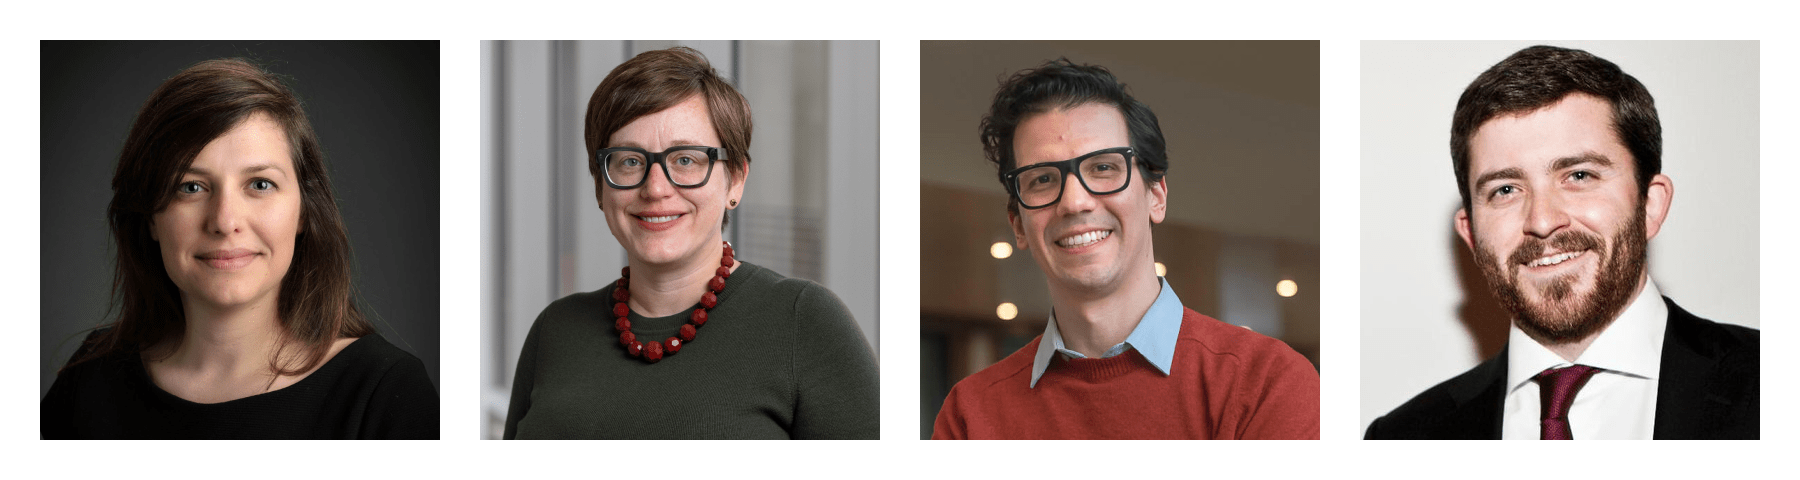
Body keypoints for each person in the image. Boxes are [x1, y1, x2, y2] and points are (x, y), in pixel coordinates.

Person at [1364, 46, 1758, 440]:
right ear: (1470, 233)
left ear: (1650, 206)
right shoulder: (1401, 438)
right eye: (1505, 189)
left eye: (1579, 176)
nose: (1543, 220)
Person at [39, 58, 439, 439]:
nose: (225, 220)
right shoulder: (90, 380)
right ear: (150, 219)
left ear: (304, 211)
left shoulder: (386, 396)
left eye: (260, 184)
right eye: (190, 187)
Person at [502, 47, 879, 440]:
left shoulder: (805, 323)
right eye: (629, 161)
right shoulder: (554, 331)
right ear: (600, 185)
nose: (656, 188)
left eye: (685, 160)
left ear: (735, 179)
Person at [931, 59, 1319, 440]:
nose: (1075, 202)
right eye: (1043, 179)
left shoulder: (1267, 383)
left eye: (1103, 168)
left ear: (1156, 196)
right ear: (1018, 224)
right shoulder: (970, 416)